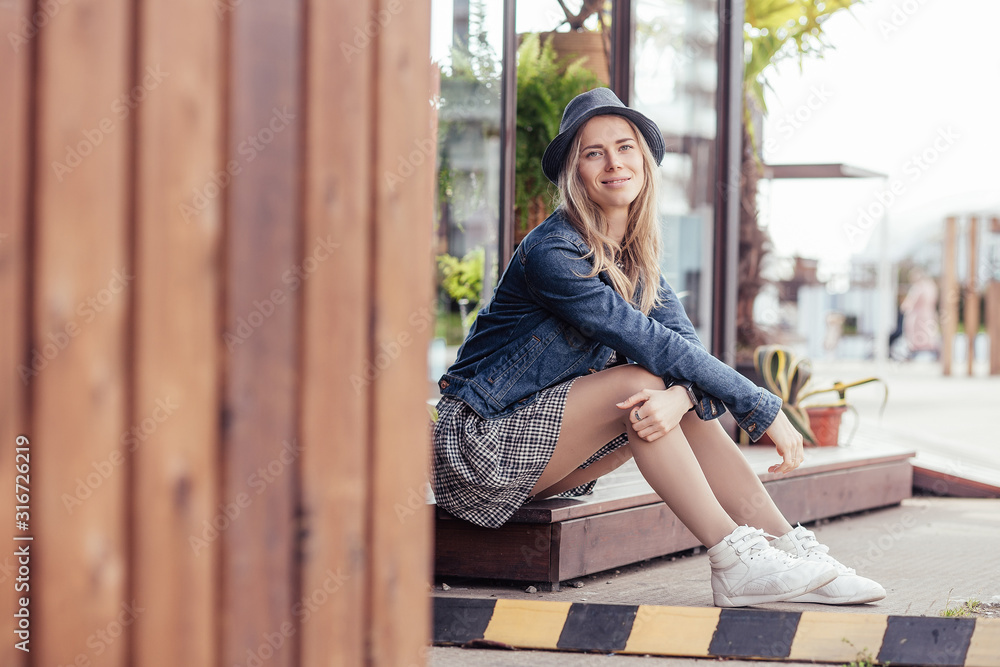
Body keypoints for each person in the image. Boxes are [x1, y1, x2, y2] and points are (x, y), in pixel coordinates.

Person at [432, 88, 884, 607]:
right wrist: (763, 407)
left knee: (666, 398)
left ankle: (791, 549)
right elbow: (649, 344)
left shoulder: (639, 263)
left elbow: (682, 348)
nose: (612, 163)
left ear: (644, 162)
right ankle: (733, 560)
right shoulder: (552, 253)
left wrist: (683, 398)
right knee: (642, 386)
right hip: (477, 449)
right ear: (574, 172)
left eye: (624, 147)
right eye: (592, 152)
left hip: (546, 453)